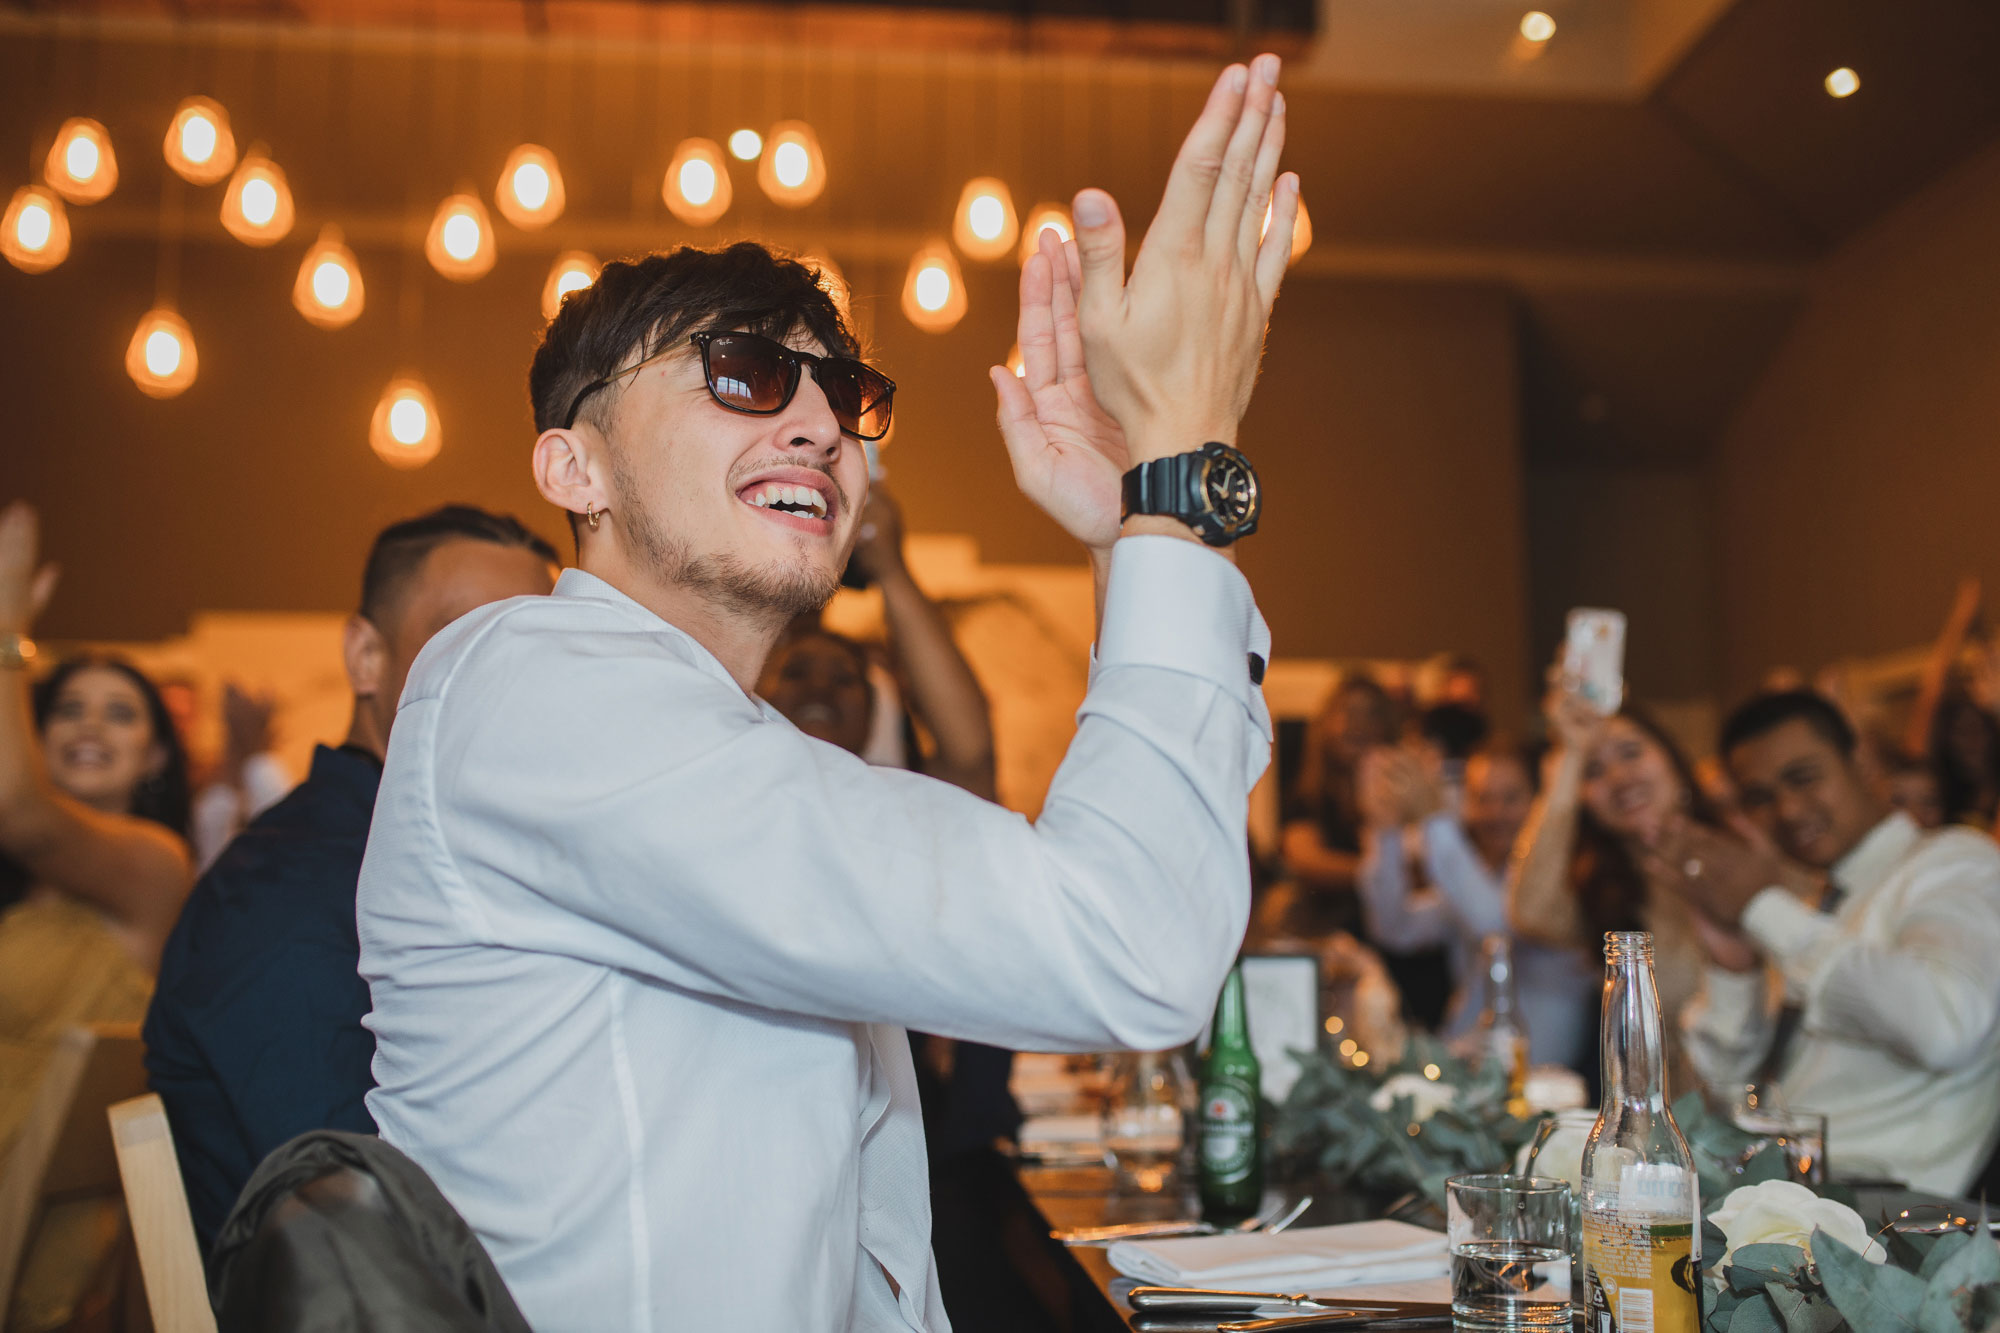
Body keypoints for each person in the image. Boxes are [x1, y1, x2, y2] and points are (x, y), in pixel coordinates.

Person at [357, 55, 1295, 1333]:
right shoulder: (530, 686)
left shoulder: (718, 739)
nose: (818, 427)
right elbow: (1125, 948)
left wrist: (1134, 524)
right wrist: (1181, 475)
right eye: (742, 372)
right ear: (574, 466)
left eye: (845, 397)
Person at [143, 506, 560, 1253]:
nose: (514, 679)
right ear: (367, 655)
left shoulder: (438, 857)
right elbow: (361, 1212)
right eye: (468, 641)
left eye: (542, 649)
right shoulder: (288, 888)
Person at [1666, 690, 2000, 1194]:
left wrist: (1760, 904)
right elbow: (1721, 1094)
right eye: (1760, 797)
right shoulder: (1816, 906)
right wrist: (1733, 970)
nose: (1789, 809)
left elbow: (1946, 1024)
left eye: (1804, 777)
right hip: (1778, 1192)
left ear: (1862, 762)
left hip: (1885, 1215)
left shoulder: (1955, 863)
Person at [0, 504, 194, 1159]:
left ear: (155, 755)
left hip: (40, 1215)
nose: (89, 727)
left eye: (119, 714)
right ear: (36, 733)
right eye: (69, 709)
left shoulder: (156, 865)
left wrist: (8, 630)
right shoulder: (20, 875)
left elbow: (17, 808)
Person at [1507, 675, 1719, 1085]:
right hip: (1665, 1128)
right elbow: (1529, 911)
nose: (1621, 779)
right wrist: (1569, 758)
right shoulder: (1605, 897)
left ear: (1672, 758)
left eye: (1631, 752)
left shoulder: (1740, 855)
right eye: (1595, 770)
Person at [1356, 742, 1596, 1065]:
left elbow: (1499, 925)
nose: (1495, 813)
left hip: (1540, 1083)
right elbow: (1395, 928)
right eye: (1483, 799)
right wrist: (1385, 832)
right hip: (1463, 1069)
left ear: (1541, 805)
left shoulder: (1570, 878)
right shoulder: (1480, 878)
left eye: (1510, 798)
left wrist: (1432, 817)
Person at [761, 487, 997, 802]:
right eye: (795, 672)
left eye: (844, 679)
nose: (819, 688)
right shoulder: (713, 781)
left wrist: (891, 571)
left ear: (873, 714)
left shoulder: (904, 806)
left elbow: (971, 759)